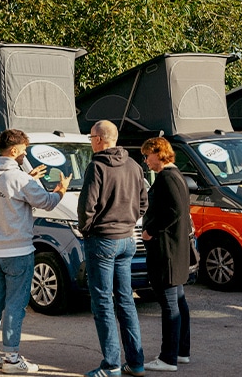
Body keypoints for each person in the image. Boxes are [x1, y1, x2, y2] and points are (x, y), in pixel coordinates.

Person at [0, 128, 71, 374]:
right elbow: (47, 203)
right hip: (18, 250)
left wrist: (28, 178)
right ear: (15, 150)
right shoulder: (20, 179)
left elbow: (7, 195)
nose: (25, 154)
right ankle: (11, 358)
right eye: (24, 150)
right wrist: (61, 188)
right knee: (16, 305)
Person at [78, 120, 148, 377]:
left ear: (99, 139)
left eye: (91, 138)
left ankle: (111, 365)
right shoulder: (134, 165)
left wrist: (85, 229)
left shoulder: (96, 166)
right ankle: (136, 362)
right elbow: (143, 202)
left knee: (103, 303)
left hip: (103, 239)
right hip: (127, 239)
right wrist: (129, 220)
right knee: (126, 300)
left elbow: (87, 206)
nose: (91, 142)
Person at [140, 137, 192, 372]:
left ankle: (168, 357)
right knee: (178, 301)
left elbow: (174, 210)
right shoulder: (176, 175)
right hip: (175, 249)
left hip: (167, 250)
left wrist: (151, 231)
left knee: (170, 304)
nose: (146, 161)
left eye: (147, 155)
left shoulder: (167, 177)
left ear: (158, 153)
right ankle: (181, 351)